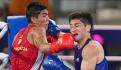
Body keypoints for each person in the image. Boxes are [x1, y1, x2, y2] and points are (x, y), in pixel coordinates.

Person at [10, 2, 74, 70]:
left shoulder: (18, 34)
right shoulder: (37, 29)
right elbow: (43, 47)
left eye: (47, 15)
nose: (48, 19)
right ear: (34, 19)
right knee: (51, 61)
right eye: (44, 16)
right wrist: (60, 44)